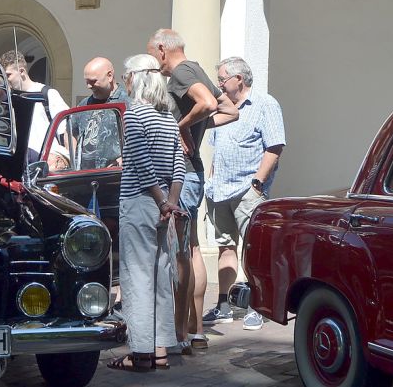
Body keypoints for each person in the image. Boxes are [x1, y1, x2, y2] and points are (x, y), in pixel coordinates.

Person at [147, 28, 238, 351]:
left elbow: (210, 102)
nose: (158, 67)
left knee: (180, 251)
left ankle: (180, 333)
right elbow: (230, 110)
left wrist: (180, 126)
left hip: (182, 174)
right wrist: (196, 125)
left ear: (162, 49)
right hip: (194, 171)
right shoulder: (197, 68)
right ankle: (195, 330)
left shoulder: (183, 71)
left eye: (154, 57)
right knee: (193, 249)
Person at [106, 53, 185, 372]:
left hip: (141, 202)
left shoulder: (134, 113)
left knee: (137, 277)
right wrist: (170, 201)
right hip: (164, 203)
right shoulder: (167, 117)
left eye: (126, 77)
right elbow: (179, 162)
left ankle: (140, 354)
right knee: (161, 277)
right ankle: (162, 350)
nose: (125, 82)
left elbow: (139, 161)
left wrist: (159, 199)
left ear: (135, 79)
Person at [204, 57, 285, 331]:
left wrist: (257, 184)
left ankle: (257, 306)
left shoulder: (265, 104)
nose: (219, 85)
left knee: (253, 249)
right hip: (220, 189)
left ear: (239, 79)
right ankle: (223, 305)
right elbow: (218, 146)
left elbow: (274, 147)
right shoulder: (222, 107)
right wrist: (212, 178)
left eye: (222, 79)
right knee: (225, 246)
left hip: (247, 190)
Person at [0, 50, 70, 170]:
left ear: (21, 71)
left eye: (8, 75)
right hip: (19, 163)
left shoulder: (47, 94)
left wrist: (72, 163)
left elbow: (66, 130)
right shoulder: (8, 99)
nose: (5, 80)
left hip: (47, 162)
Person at [69, 57, 129, 170]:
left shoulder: (127, 103)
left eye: (93, 81)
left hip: (113, 177)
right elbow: (71, 131)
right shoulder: (84, 105)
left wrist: (125, 158)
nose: (89, 86)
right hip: (84, 176)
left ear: (110, 76)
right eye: (87, 82)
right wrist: (73, 159)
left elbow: (141, 136)